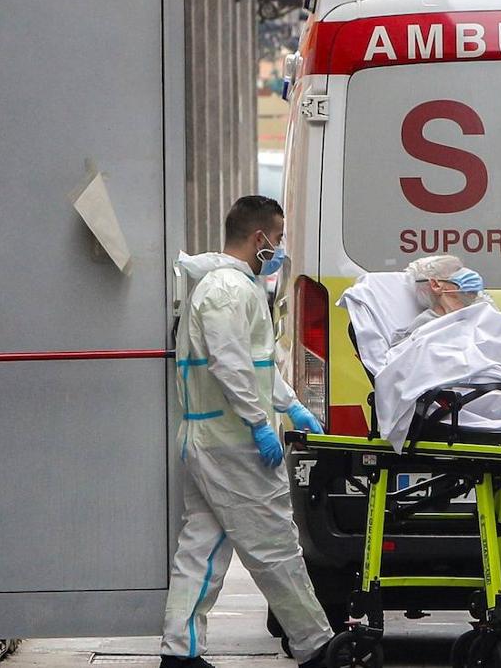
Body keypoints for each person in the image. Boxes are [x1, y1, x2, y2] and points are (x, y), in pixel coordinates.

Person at [161, 196, 333, 668]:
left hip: (214, 439)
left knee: (202, 546)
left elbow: (255, 364)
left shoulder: (230, 287)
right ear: (259, 238)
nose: (278, 249)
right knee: (274, 544)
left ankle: (180, 652)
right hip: (234, 443)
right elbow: (230, 364)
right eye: (277, 239)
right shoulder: (228, 290)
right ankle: (316, 645)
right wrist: (259, 425)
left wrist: (291, 406)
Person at [394, 254, 501, 388]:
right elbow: (407, 364)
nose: (469, 274)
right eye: (457, 270)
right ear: (436, 285)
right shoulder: (426, 326)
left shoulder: (481, 318)